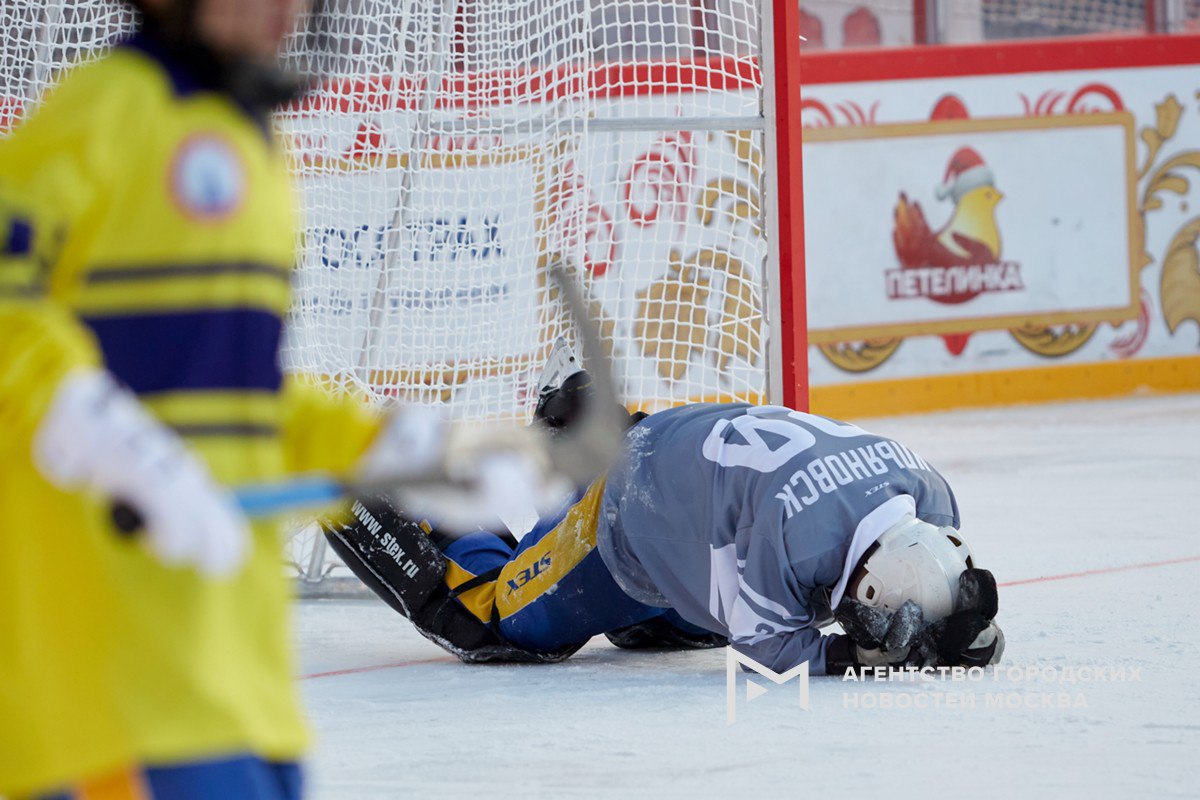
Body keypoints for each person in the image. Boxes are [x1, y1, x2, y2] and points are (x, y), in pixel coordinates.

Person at [0, 2, 551, 797]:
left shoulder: (251, 149)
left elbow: (235, 394)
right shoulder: (101, 110)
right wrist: (91, 427)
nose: (285, 9)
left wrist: (396, 448)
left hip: (234, 671)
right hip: (104, 677)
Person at [325, 372, 1006, 676]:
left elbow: (948, 582)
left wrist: (945, 624)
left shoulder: (928, 496)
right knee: (491, 621)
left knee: (649, 630)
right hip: (633, 505)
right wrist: (878, 661)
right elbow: (772, 654)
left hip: (698, 468)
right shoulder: (795, 543)